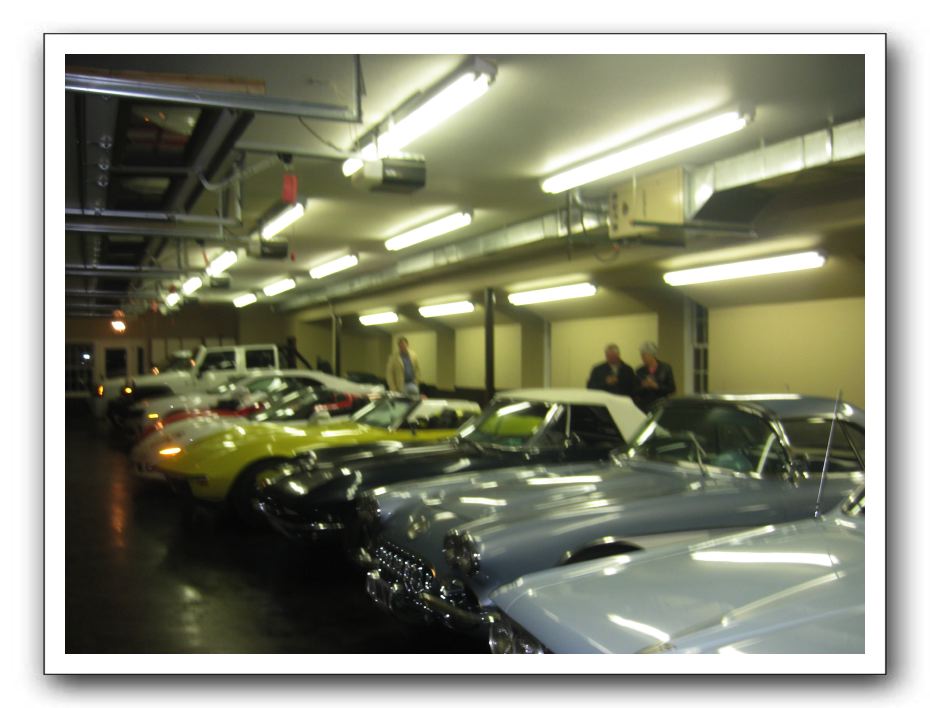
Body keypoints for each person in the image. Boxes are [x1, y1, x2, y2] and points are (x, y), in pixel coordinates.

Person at [634, 340, 676, 412]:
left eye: (644, 356)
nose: (642, 358)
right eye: (642, 356)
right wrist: (643, 386)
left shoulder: (666, 368)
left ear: (652, 355)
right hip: (644, 407)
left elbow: (672, 389)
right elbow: (635, 391)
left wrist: (656, 386)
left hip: (661, 406)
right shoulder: (639, 371)